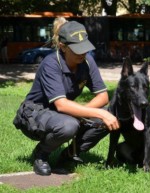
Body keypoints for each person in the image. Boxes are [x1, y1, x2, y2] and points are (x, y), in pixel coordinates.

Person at [13, 20, 120, 176]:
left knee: (106, 117)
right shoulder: (51, 63)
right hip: (35, 114)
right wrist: (98, 113)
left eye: (84, 48)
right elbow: (62, 105)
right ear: (63, 46)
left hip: (61, 114)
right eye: (77, 49)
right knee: (70, 125)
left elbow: (103, 97)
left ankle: (68, 155)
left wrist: (83, 114)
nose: (82, 53)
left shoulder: (87, 61)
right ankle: (41, 154)